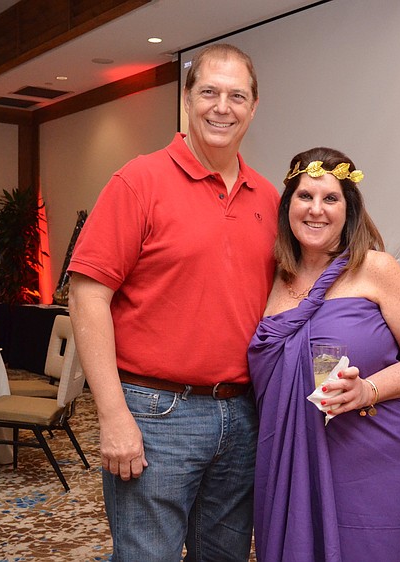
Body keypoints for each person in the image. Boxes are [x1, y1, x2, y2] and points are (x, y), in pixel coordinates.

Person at [67, 44, 279, 561]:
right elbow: (87, 293)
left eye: (237, 96)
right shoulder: (139, 181)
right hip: (155, 413)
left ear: (255, 108)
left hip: (243, 414)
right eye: (208, 92)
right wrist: (112, 416)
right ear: (187, 100)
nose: (221, 107)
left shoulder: (270, 199)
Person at [247, 147, 400, 562]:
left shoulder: (376, 269)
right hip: (286, 455)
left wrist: (367, 390)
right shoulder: (271, 276)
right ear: (287, 206)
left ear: (348, 209)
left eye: (330, 198)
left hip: (373, 456)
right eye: (305, 196)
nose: (316, 210)